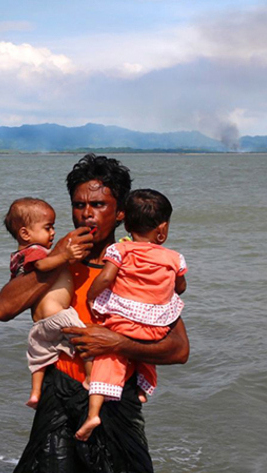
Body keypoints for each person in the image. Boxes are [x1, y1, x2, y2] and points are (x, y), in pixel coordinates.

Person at [0, 154, 189, 473]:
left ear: (120, 214)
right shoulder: (54, 263)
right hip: (58, 398)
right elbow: (3, 309)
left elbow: (179, 350)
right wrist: (60, 256)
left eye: (98, 205)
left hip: (115, 402)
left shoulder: (144, 268)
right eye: (79, 205)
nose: (87, 214)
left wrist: (114, 343)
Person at [76, 189, 188, 441]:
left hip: (124, 319)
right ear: (162, 229)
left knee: (108, 355)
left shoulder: (120, 250)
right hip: (156, 322)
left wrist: (92, 296)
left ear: (125, 223)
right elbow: (180, 286)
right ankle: (142, 389)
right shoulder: (173, 257)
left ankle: (93, 413)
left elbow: (106, 277)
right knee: (146, 345)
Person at [3, 197, 88, 408]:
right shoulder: (35, 251)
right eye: (48, 228)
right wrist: (65, 255)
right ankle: (90, 377)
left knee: (39, 359)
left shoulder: (18, 258)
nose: (53, 233)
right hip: (58, 315)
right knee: (87, 343)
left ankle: (35, 393)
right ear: (25, 233)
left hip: (39, 323)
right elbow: (42, 265)